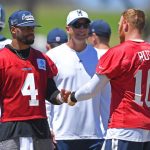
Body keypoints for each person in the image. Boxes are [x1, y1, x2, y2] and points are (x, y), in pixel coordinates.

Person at [68, 8, 150, 150]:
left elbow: (92, 89)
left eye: (119, 24)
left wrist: (73, 96)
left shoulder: (119, 52)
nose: (118, 28)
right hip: (147, 130)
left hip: (124, 129)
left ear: (125, 24)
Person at [0, 10, 69, 150]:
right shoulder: (2, 59)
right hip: (12, 127)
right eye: (26, 28)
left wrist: (61, 97)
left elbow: (50, 92)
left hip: (40, 127)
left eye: (32, 28)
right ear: (13, 30)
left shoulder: (42, 58)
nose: (31, 31)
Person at [46, 9, 109, 150]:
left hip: (94, 135)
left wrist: (107, 130)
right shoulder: (52, 56)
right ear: (68, 29)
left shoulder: (100, 56)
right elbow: (48, 95)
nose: (82, 29)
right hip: (62, 134)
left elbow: (105, 97)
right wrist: (49, 128)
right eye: (77, 25)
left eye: (85, 25)